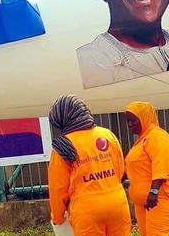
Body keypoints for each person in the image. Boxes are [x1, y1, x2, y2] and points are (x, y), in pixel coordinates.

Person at [47, 95, 131, 236]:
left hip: (86, 209)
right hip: (118, 203)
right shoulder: (108, 135)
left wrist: (58, 218)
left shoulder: (63, 147)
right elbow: (120, 169)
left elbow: (58, 189)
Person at [125, 101, 169, 236]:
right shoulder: (142, 139)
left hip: (160, 199)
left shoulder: (157, 136)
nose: (129, 125)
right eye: (128, 121)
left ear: (144, 117)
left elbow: (161, 165)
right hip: (145, 203)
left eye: (133, 121)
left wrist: (154, 192)